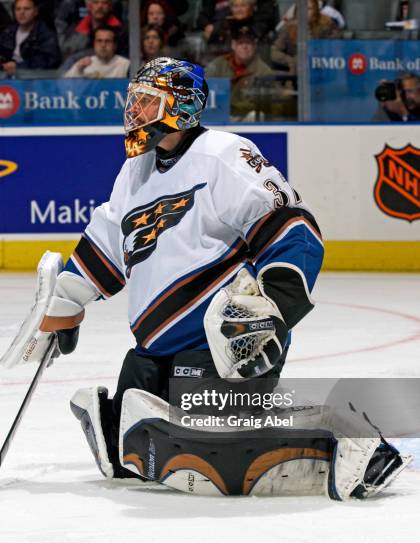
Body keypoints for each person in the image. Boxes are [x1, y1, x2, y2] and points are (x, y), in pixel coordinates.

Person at [3, 56, 410, 500]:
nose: (134, 111)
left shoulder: (224, 155)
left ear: (180, 105)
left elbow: (293, 231)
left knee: (206, 455)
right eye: (134, 101)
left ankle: (349, 441)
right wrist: (65, 301)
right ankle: (133, 440)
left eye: (146, 101)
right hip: (152, 354)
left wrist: (274, 312)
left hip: (223, 349)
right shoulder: (134, 172)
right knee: (143, 441)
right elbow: (105, 249)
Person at [206, 26, 294, 121]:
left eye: (248, 43)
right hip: (217, 117)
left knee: (255, 115)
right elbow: (203, 89)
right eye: (240, 43)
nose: (245, 47)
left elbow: (271, 104)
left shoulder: (264, 71)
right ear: (233, 45)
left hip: (246, 120)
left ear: (255, 46)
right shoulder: (218, 64)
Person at [271, 0, 339, 73]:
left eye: (309, 9)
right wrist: (291, 61)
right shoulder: (289, 26)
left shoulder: (327, 25)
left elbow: (336, 48)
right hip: (297, 74)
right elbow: (274, 52)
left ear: (315, 11)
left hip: (321, 71)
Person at [0, 0, 61, 75]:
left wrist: (18, 66)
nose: (21, 12)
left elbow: (50, 60)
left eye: (26, 9)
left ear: (35, 12)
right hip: (8, 77)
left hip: (34, 78)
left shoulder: (45, 34)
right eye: (18, 9)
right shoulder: (8, 32)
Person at [61, 0, 125, 59]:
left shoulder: (122, 32)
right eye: (95, 2)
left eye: (104, 3)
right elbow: (67, 56)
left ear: (110, 6)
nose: (100, 6)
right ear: (88, 6)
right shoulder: (74, 31)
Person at [64, 26, 129, 78]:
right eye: (99, 41)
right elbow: (64, 86)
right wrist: (78, 70)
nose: (103, 45)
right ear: (94, 44)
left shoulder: (125, 64)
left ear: (115, 45)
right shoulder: (83, 64)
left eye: (108, 41)